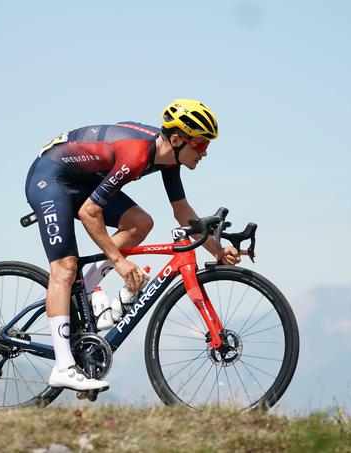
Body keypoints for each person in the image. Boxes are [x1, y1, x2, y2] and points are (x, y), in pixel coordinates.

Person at [24, 99, 242, 391]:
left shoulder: (169, 156)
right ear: (177, 140)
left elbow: (182, 212)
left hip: (83, 180)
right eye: (201, 145)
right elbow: (90, 213)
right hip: (51, 178)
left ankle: (85, 296)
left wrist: (218, 251)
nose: (205, 153)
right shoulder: (137, 154)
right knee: (65, 268)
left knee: (141, 223)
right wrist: (119, 262)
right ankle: (63, 367)